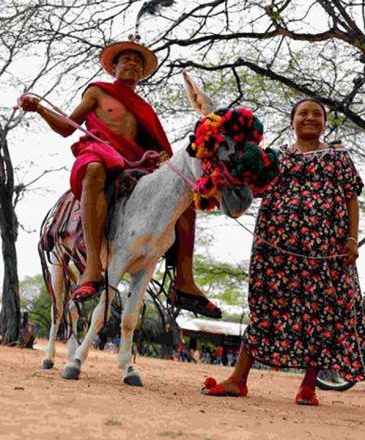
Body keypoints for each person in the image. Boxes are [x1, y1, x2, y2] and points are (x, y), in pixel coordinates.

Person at [16, 38, 221, 318]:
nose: (132, 65)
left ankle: (184, 281)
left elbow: (158, 146)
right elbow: (67, 127)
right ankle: (91, 268)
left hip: (137, 162)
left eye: (138, 62)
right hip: (101, 152)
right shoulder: (97, 92)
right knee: (94, 169)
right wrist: (39, 108)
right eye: (127, 60)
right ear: (115, 66)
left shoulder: (145, 108)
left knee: (182, 193)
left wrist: (160, 157)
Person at [202, 99, 365, 406]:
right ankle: (238, 380)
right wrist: (220, 179)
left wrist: (352, 239)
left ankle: (308, 387)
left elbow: (351, 198)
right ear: (292, 120)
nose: (310, 117)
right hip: (275, 247)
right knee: (265, 307)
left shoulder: (338, 158)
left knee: (320, 310)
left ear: (324, 122)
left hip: (325, 250)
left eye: (317, 114)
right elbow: (249, 192)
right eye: (303, 113)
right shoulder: (273, 158)